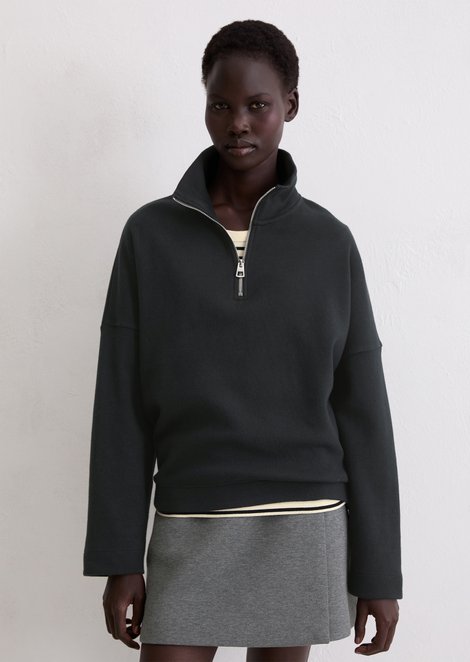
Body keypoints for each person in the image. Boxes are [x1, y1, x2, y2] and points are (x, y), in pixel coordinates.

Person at [83, 20, 402, 662]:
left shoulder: (329, 243)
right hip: (190, 516)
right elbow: (120, 403)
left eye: (258, 105)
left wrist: (380, 573)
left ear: (291, 105)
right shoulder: (150, 236)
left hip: (305, 520)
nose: (238, 124)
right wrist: (119, 558)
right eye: (220, 105)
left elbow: (364, 411)